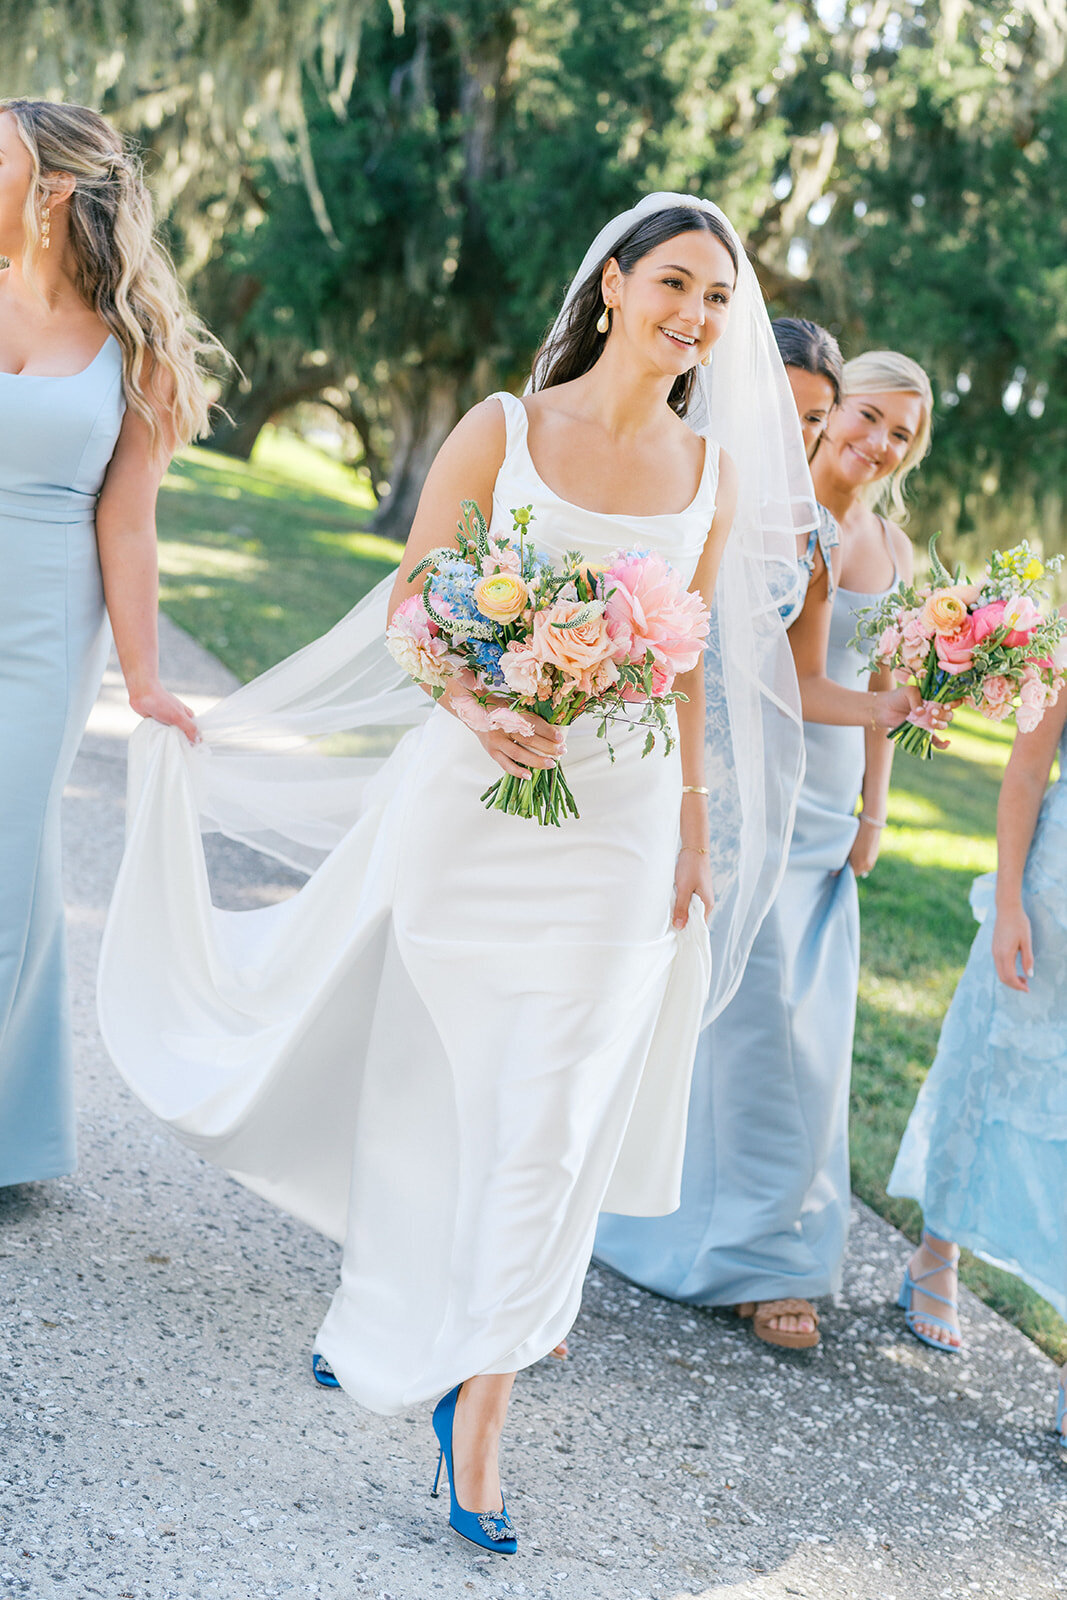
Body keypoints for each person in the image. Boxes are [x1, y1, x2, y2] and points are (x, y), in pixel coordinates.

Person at [97, 193, 816, 1554]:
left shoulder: (710, 478)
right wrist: (480, 705)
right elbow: (415, 594)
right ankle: (391, 1304)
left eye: (718, 300)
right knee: (419, 1072)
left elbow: (678, 684)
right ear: (609, 284)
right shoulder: (504, 430)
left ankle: (477, 1404)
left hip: (613, 839)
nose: (695, 316)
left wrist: (690, 828)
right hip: (466, 802)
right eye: (674, 283)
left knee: (551, 1117)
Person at [597, 347, 940, 1349]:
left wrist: (875, 811)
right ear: (828, 414)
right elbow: (783, 683)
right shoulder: (775, 519)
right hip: (757, 790)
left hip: (834, 811)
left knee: (813, 1036)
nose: (875, 442)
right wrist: (883, 703)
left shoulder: (893, 552)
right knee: (745, 1029)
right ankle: (732, 1252)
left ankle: (779, 1249)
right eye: (864, 417)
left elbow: (881, 696)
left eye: (898, 434)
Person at [0, 98, 213, 1189]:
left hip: (38, 637)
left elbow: (127, 522)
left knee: (4, 864)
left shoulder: (136, 356)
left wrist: (145, 681)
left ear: (51, 193)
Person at [888, 660, 1067, 1446]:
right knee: (988, 1072)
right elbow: (1027, 768)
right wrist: (1006, 906)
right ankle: (935, 1256)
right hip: (1051, 902)